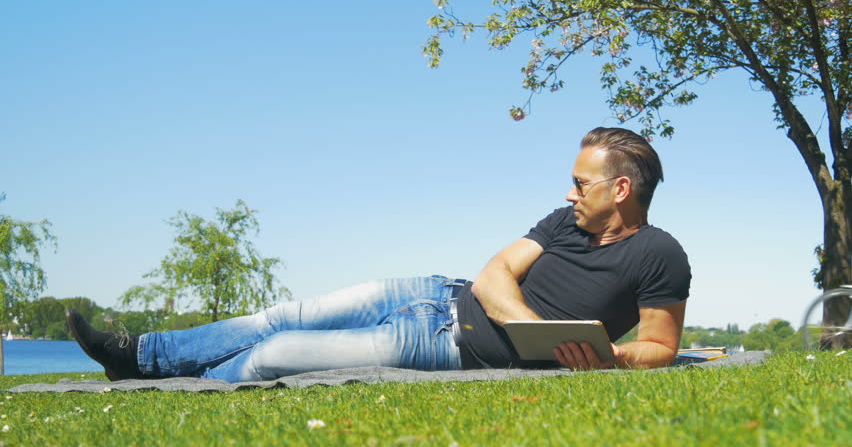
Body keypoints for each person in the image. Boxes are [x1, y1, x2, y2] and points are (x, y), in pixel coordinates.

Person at [67, 127, 690, 382]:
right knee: (282, 315)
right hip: (431, 294)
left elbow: (661, 345)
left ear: (622, 189)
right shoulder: (562, 222)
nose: (569, 191)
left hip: (445, 346)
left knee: (273, 356)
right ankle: (140, 356)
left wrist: (612, 359)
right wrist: (533, 328)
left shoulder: (659, 255)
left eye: (581, 182)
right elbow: (495, 272)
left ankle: (185, 382)